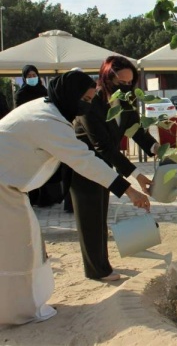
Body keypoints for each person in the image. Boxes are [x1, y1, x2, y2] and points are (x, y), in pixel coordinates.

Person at [0, 71, 150, 327]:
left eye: (92, 99)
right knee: (21, 248)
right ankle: (18, 312)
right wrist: (130, 190)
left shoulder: (50, 111)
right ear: (71, 95)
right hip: (4, 185)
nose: (88, 105)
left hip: (9, 185)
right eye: (86, 98)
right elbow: (85, 161)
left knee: (26, 243)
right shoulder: (47, 121)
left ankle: (24, 305)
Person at [70, 56, 158, 281]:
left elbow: (137, 130)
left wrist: (156, 147)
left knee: (100, 217)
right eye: (122, 82)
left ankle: (102, 265)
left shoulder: (126, 102)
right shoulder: (91, 102)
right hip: (83, 165)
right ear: (108, 77)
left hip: (105, 166)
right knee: (89, 218)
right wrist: (137, 175)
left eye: (130, 83)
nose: (126, 87)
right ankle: (96, 270)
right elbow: (103, 147)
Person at [15, 65, 63, 207]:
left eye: (34, 75)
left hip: (45, 131)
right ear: (24, 78)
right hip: (28, 133)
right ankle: (33, 196)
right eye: (29, 76)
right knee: (32, 165)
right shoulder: (21, 94)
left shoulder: (44, 91)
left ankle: (48, 197)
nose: (32, 78)